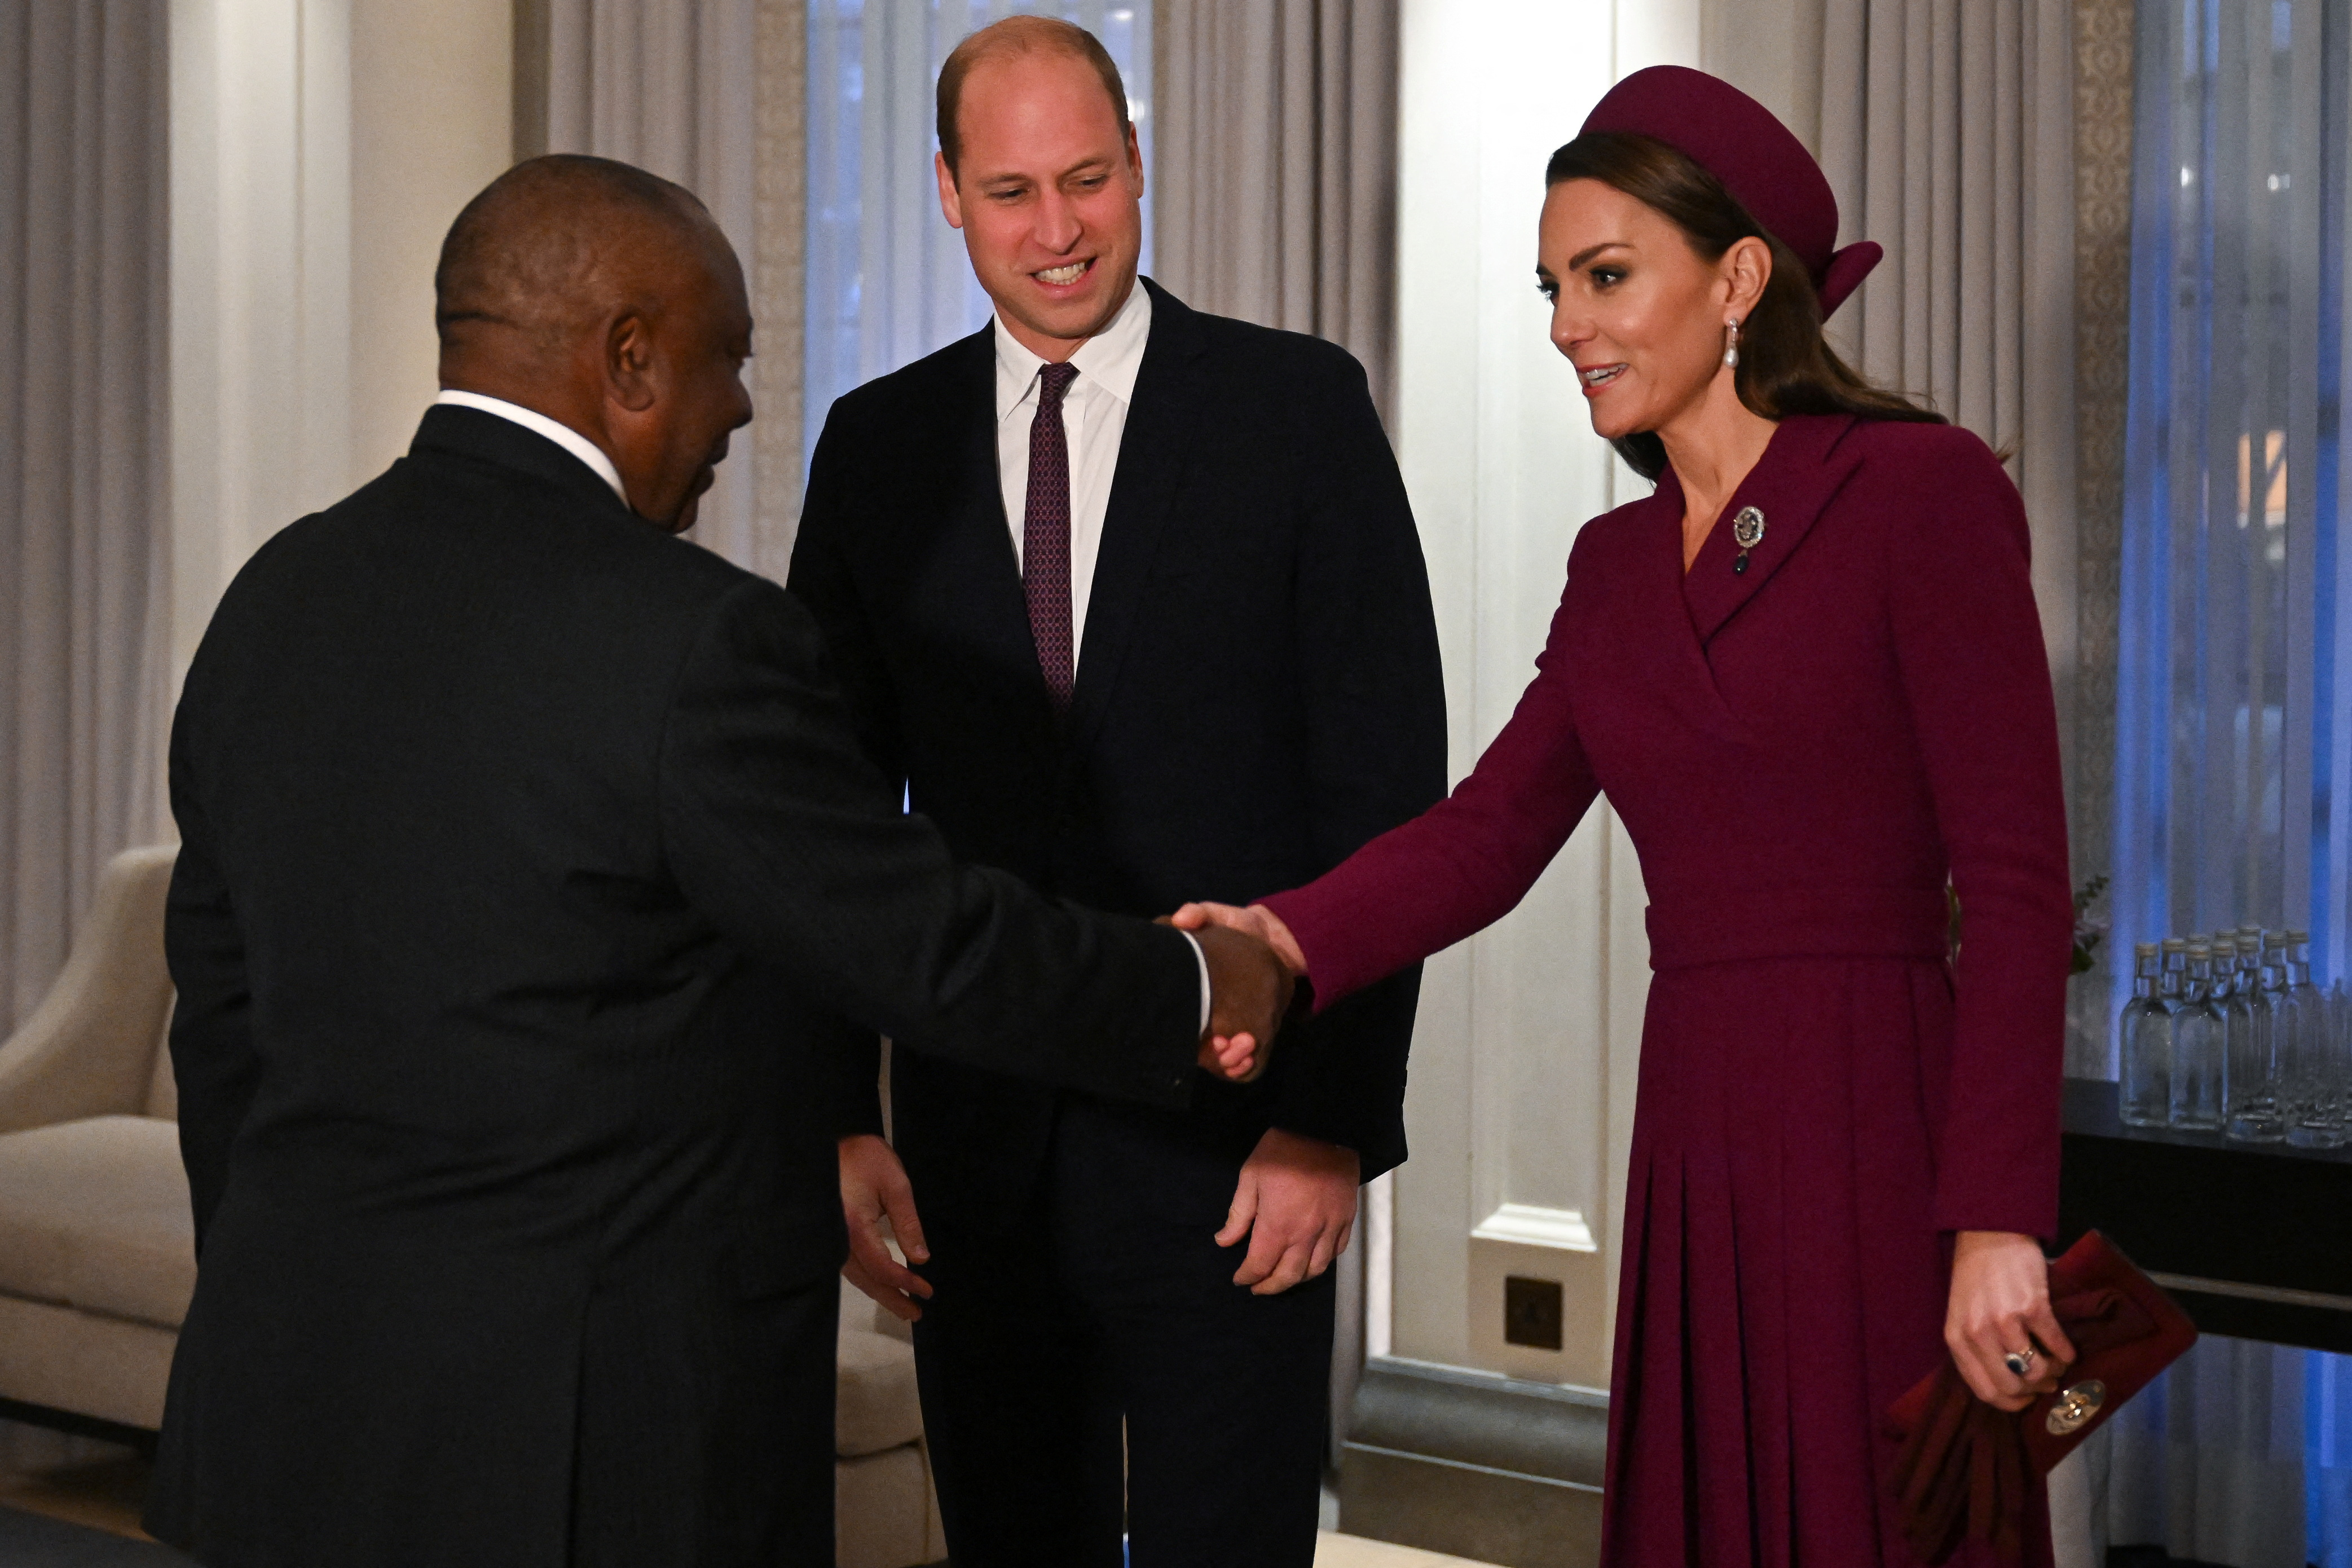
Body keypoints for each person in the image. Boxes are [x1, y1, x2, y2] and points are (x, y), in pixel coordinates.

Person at [147, 153, 1291, 1568]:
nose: (744, 405)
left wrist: (292, 1288)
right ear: (630, 359)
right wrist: (1197, 981)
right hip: (593, 1458)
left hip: (283, 1416)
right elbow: (917, 938)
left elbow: (224, 1022)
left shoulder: (270, 601)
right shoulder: (695, 643)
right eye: (726, 358)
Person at [1177, 67, 2077, 1567]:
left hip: (1883, 1114)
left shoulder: (1921, 492)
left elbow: (2019, 881)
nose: (1563, 325)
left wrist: (1995, 1218)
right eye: (1549, 286)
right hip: (1700, 1120)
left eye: (1604, 276)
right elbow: (1486, 833)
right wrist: (1279, 933)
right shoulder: (1610, 568)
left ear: (1736, 279)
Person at [785, 17, 1445, 1566]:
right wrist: (833, 1110)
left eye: (1088, 178)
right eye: (1011, 190)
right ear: (948, 194)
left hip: (1236, 1146)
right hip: (970, 1152)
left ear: (1139, 166)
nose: (1058, 228)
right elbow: (818, 809)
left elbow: (1384, 796)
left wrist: (1332, 1120)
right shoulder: (875, 450)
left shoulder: (1298, 414)